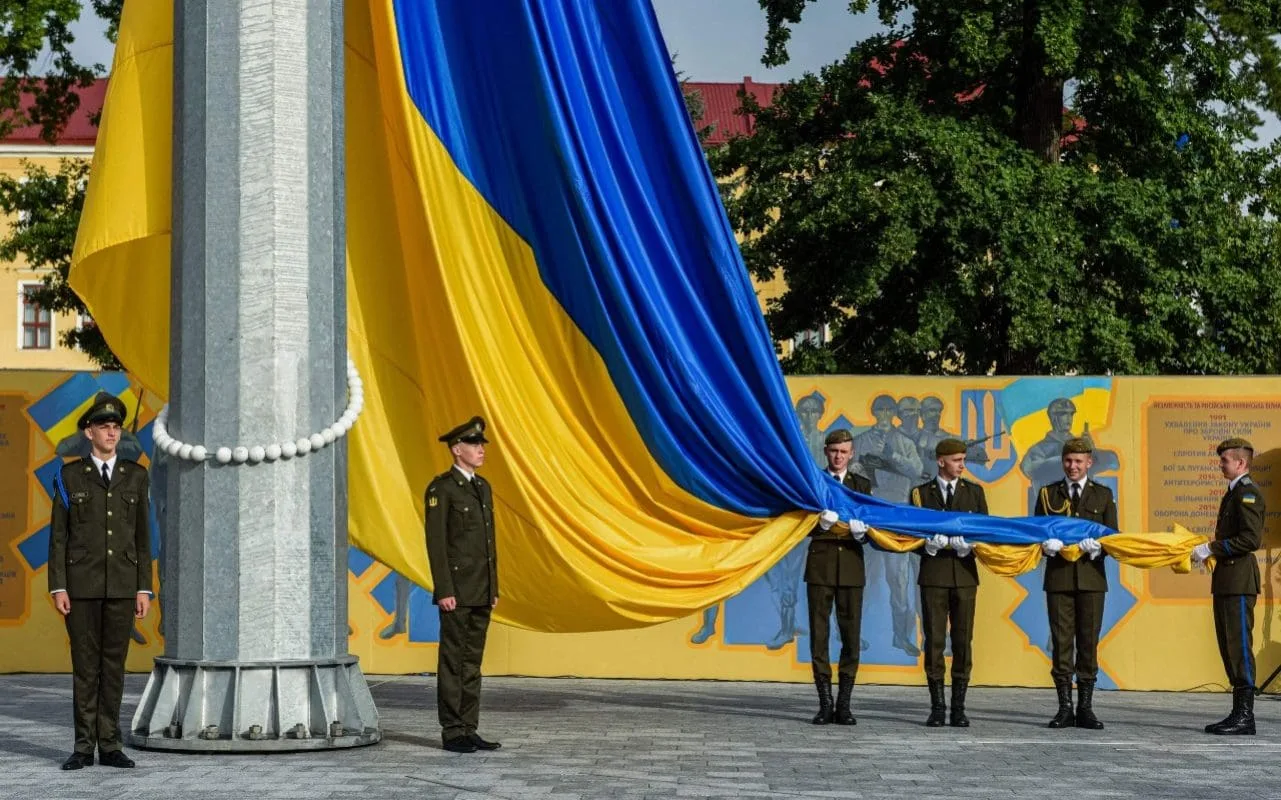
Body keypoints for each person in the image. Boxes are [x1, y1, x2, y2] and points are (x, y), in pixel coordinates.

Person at [48, 391, 153, 770]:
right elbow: (58, 537)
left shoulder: (135, 476)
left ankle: (109, 745)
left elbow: (143, 538)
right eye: (104, 426)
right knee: (85, 668)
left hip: (123, 586)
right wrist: (58, 586)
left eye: (116, 427)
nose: (112, 432)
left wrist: (144, 587)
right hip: (80, 587)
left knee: (113, 667)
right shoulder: (69, 475)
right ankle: (82, 747)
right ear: (88, 432)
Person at [426, 416, 501, 753]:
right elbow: (437, 544)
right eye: (474, 444)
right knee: (453, 661)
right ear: (457, 450)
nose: (481, 449)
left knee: (472, 663)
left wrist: (492, 587)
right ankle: (453, 730)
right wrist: (444, 590)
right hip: (456, 591)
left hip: (481, 589)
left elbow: (488, 545)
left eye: (481, 444)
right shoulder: (442, 489)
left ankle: (469, 727)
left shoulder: (482, 487)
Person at [1035, 437, 1116, 730]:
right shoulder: (1048, 494)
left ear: (1089, 463)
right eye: (1068, 461)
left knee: (1088, 643)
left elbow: (1113, 537)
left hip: (1091, 579)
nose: (1073, 466)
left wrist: (1098, 548)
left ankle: (1086, 708)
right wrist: (1046, 545)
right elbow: (1037, 532)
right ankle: (1064, 708)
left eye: (1078, 461)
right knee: (1061, 644)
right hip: (1058, 578)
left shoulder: (1103, 495)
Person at [1191, 437, 1265, 736]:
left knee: (1239, 647)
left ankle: (1245, 716)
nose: (1220, 465)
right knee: (1228, 646)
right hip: (1226, 580)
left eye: (1225, 460)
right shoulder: (1233, 493)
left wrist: (1212, 548)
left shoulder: (1247, 493)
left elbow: (1250, 539)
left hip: (1238, 580)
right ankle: (1238, 713)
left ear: (1241, 462)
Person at [910, 438, 987, 727]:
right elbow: (912, 534)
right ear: (941, 461)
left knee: (963, 641)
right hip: (933, 575)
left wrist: (970, 547)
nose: (962, 465)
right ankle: (937, 706)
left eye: (963, 460)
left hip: (964, 575)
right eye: (956, 460)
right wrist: (927, 547)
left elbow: (984, 531)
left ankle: (959, 707)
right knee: (934, 641)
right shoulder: (920, 493)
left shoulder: (974, 492)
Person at [805, 429, 872, 726]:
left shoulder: (861, 485)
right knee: (819, 636)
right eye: (834, 451)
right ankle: (825, 703)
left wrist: (862, 534)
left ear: (852, 454)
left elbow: (871, 526)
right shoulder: (815, 483)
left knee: (851, 637)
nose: (838, 456)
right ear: (825, 451)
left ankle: (844, 704)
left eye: (844, 452)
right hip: (820, 566)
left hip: (851, 568)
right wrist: (820, 525)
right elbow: (799, 524)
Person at [854, 395, 924, 657]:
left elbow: (916, 469)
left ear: (894, 413)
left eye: (888, 410)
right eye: (880, 409)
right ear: (874, 412)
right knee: (863, 579)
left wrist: (891, 455)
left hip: (897, 517)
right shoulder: (861, 440)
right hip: (869, 516)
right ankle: (854, 634)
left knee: (899, 580)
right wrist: (859, 467)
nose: (884, 414)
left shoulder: (904, 442)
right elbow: (849, 471)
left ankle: (901, 636)